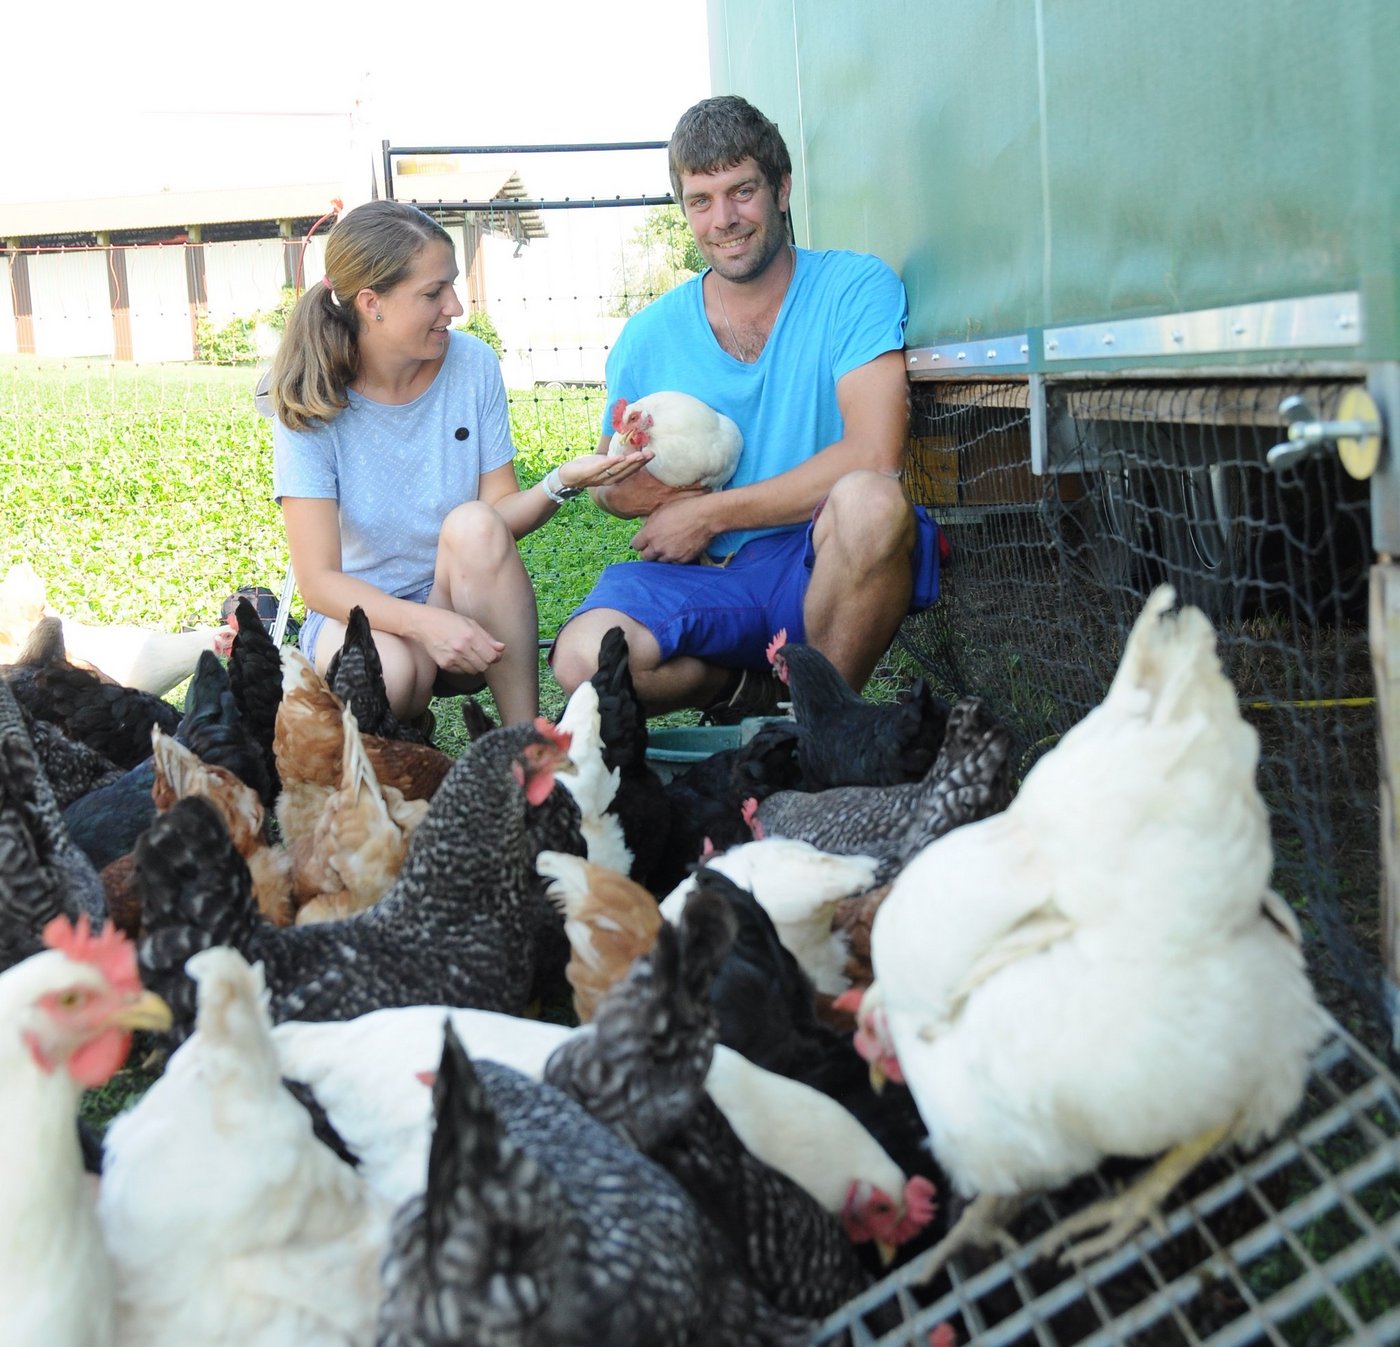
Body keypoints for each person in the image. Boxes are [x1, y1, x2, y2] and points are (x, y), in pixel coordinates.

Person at [550, 95, 942, 721]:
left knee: (871, 501)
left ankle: (819, 726)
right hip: (706, 577)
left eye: (742, 191)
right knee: (583, 661)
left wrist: (708, 514)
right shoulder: (648, 336)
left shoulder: (853, 288)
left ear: (782, 189)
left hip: (816, 560)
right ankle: (747, 689)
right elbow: (606, 484)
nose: (724, 219)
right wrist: (635, 493)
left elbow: (874, 455)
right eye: (701, 201)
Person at [268, 199, 649, 727]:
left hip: (459, 607)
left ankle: (525, 738)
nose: (455, 307)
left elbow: (495, 518)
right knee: (390, 674)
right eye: (433, 293)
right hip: (356, 615)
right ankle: (403, 731)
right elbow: (318, 581)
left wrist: (560, 481)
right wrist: (422, 625)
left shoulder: (472, 364)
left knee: (473, 523)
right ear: (372, 302)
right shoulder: (310, 396)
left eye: (451, 285)